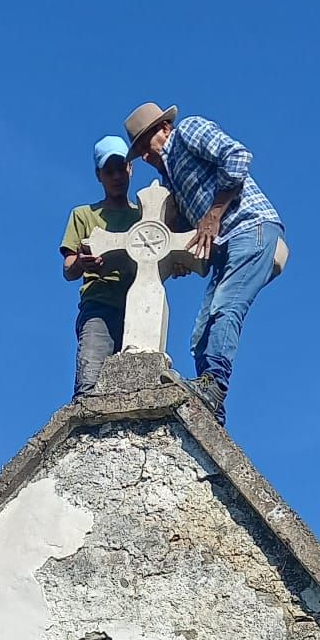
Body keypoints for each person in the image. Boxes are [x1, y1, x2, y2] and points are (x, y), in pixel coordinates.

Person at [123, 100, 287, 423]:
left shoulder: (188, 132)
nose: (145, 155)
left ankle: (213, 388)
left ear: (165, 128)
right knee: (200, 336)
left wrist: (213, 214)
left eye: (147, 143)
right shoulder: (171, 183)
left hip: (249, 227)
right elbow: (187, 228)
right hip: (224, 250)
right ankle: (211, 411)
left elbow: (238, 157)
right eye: (139, 150)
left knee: (226, 307)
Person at [60, 136, 141, 397]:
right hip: (99, 305)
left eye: (121, 168)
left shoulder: (145, 217)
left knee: (135, 389)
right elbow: (68, 269)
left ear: (131, 168)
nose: (117, 176)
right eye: (109, 171)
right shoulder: (83, 215)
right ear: (99, 175)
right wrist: (82, 264)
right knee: (89, 385)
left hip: (139, 309)